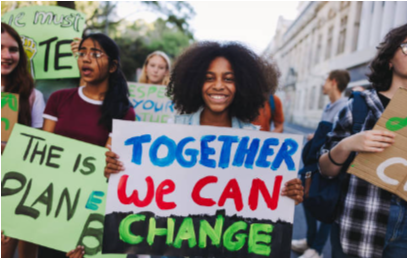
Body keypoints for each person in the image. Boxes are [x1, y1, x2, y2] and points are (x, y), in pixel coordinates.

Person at [105, 41, 304, 211]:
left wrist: (288, 195)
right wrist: (117, 172)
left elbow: (265, 199)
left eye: (229, 79)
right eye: (209, 78)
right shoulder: (170, 130)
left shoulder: (256, 140)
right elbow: (143, 184)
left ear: (243, 85)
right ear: (194, 83)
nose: (218, 85)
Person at [39, 33, 136, 258]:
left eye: (95, 54)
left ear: (112, 66)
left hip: (89, 208)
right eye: (82, 53)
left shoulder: (124, 112)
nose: (85, 59)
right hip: (49, 202)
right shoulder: (58, 98)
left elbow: (106, 166)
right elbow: (44, 152)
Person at [318, 24, 407, 258]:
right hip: (360, 224)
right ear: (389, 59)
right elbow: (324, 169)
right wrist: (349, 144)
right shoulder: (359, 107)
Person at [292, 70, 350, 258]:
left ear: (333, 82)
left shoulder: (345, 107)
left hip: (331, 165)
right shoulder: (328, 107)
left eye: (325, 80)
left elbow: (340, 139)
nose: (323, 84)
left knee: (328, 205)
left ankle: (316, 250)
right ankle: (310, 241)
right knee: (307, 198)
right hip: (315, 162)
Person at [1, 22, 46, 258]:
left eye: (13, 49)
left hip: (17, 190)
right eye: (0, 48)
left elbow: (42, 145)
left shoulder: (32, 96)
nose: (7, 55)